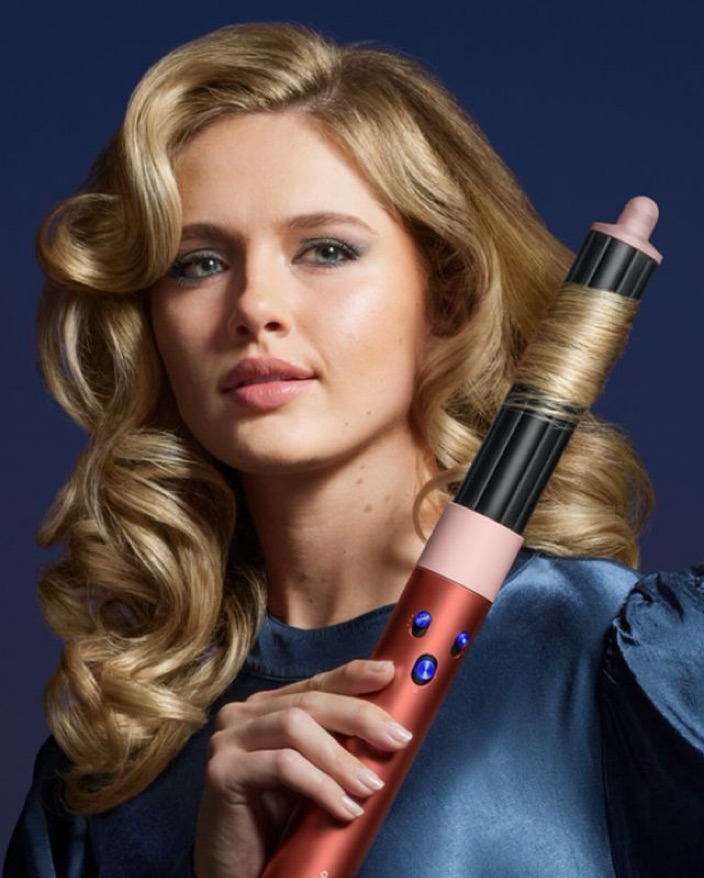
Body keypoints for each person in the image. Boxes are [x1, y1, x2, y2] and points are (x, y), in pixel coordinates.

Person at [4, 21, 703, 878]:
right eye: (197, 264)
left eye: (326, 251)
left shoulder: (635, 669)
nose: (254, 306)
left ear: (447, 298)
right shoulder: (107, 764)